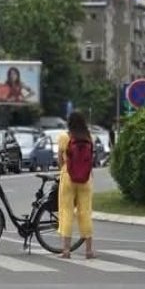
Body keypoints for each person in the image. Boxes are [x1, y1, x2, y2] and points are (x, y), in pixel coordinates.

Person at [57, 111, 95, 259]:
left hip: (68, 177)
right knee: (85, 212)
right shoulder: (89, 137)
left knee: (66, 212)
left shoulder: (64, 137)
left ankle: (66, 250)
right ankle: (89, 250)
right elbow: (90, 159)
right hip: (86, 179)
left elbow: (60, 159)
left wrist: (63, 169)